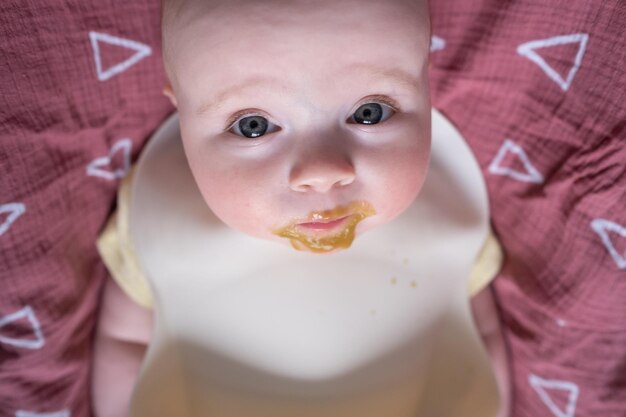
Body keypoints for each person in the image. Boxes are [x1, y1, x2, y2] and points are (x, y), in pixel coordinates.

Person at [92, 0, 510, 416]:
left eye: (371, 112)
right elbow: (126, 344)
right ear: (181, 111)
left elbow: (477, 339)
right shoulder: (162, 219)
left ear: (425, 85)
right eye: (252, 125)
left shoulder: (449, 214)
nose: (322, 172)